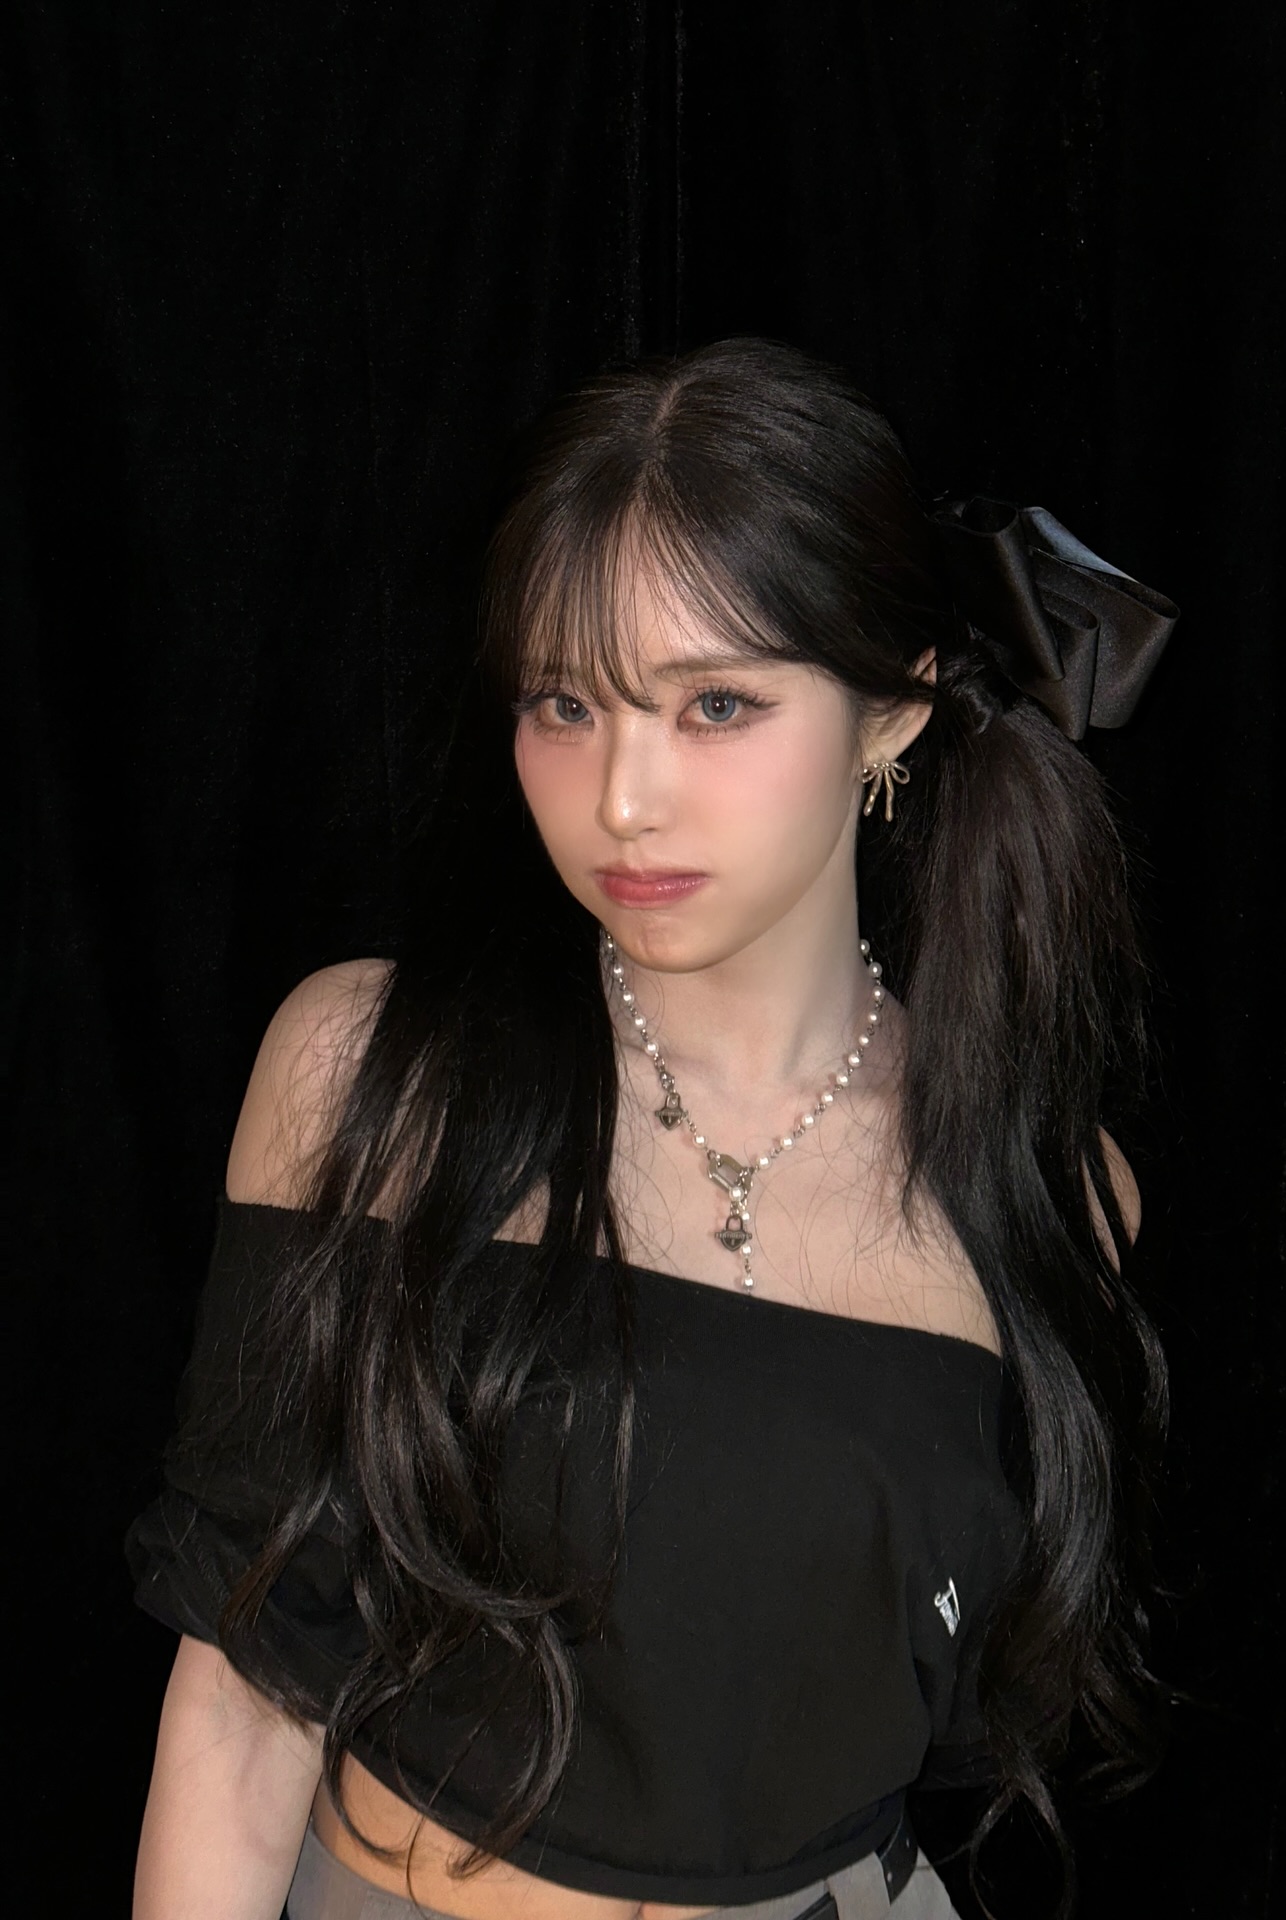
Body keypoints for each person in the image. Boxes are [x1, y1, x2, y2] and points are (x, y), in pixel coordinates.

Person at [127, 335, 1179, 1920]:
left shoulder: (1052, 1194)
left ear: (893, 713)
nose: (623, 796)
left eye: (717, 705)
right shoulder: (371, 1077)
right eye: (566, 702)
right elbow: (237, 1699)